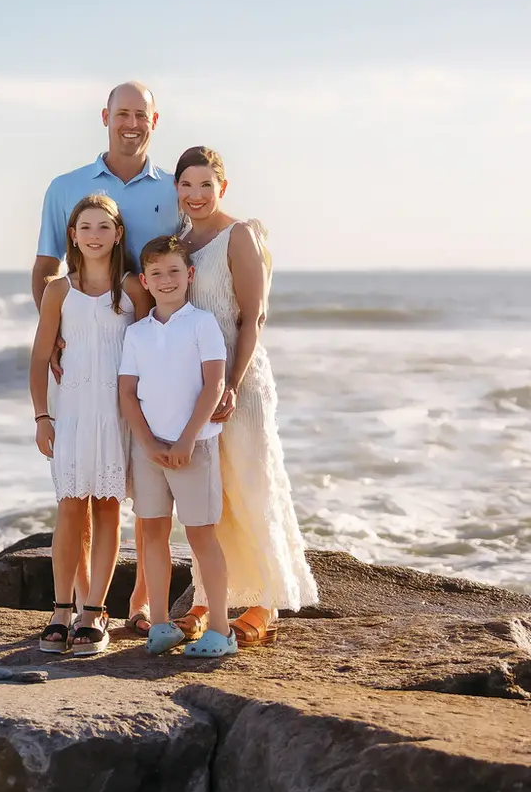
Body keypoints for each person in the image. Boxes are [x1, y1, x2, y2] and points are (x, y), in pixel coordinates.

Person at [32, 81, 178, 632]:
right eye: (122, 113)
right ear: (105, 117)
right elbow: (44, 269)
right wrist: (62, 334)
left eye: (140, 114)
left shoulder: (172, 190)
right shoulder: (65, 187)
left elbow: (176, 273)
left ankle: (129, 607)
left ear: (154, 120)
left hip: (129, 380)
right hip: (79, 377)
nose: (131, 122)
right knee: (77, 500)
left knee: (130, 497)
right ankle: (70, 609)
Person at [173, 144, 319, 644]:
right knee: (205, 495)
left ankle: (265, 603)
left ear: (222, 188)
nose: (196, 195)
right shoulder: (177, 243)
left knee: (251, 481)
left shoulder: (239, 235)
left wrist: (231, 385)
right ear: (176, 189)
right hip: (192, 386)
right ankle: (205, 600)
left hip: (241, 383)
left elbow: (253, 316)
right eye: (186, 186)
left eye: (205, 186)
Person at [29, 194, 151, 655]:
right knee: (69, 509)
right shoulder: (59, 290)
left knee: (107, 510)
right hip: (72, 413)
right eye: (86, 227)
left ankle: (94, 612)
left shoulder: (132, 290)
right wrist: (42, 416)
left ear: (117, 234)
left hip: (117, 416)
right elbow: (41, 357)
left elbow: (149, 351)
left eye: (104, 226)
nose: (95, 235)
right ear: (73, 236)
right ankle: (61, 609)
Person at [118, 234, 236, 658]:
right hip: (148, 450)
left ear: (188, 276)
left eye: (173, 271)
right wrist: (147, 443)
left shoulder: (202, 324)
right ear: (144, 282)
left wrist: (187, 438)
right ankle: (163, 623)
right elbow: (128, 394)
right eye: (156, 273)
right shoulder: (137, 334)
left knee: (202, 536)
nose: (165, 279)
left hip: (195, 447)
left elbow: (214, 384)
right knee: (153, 532)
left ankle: (221, 630)